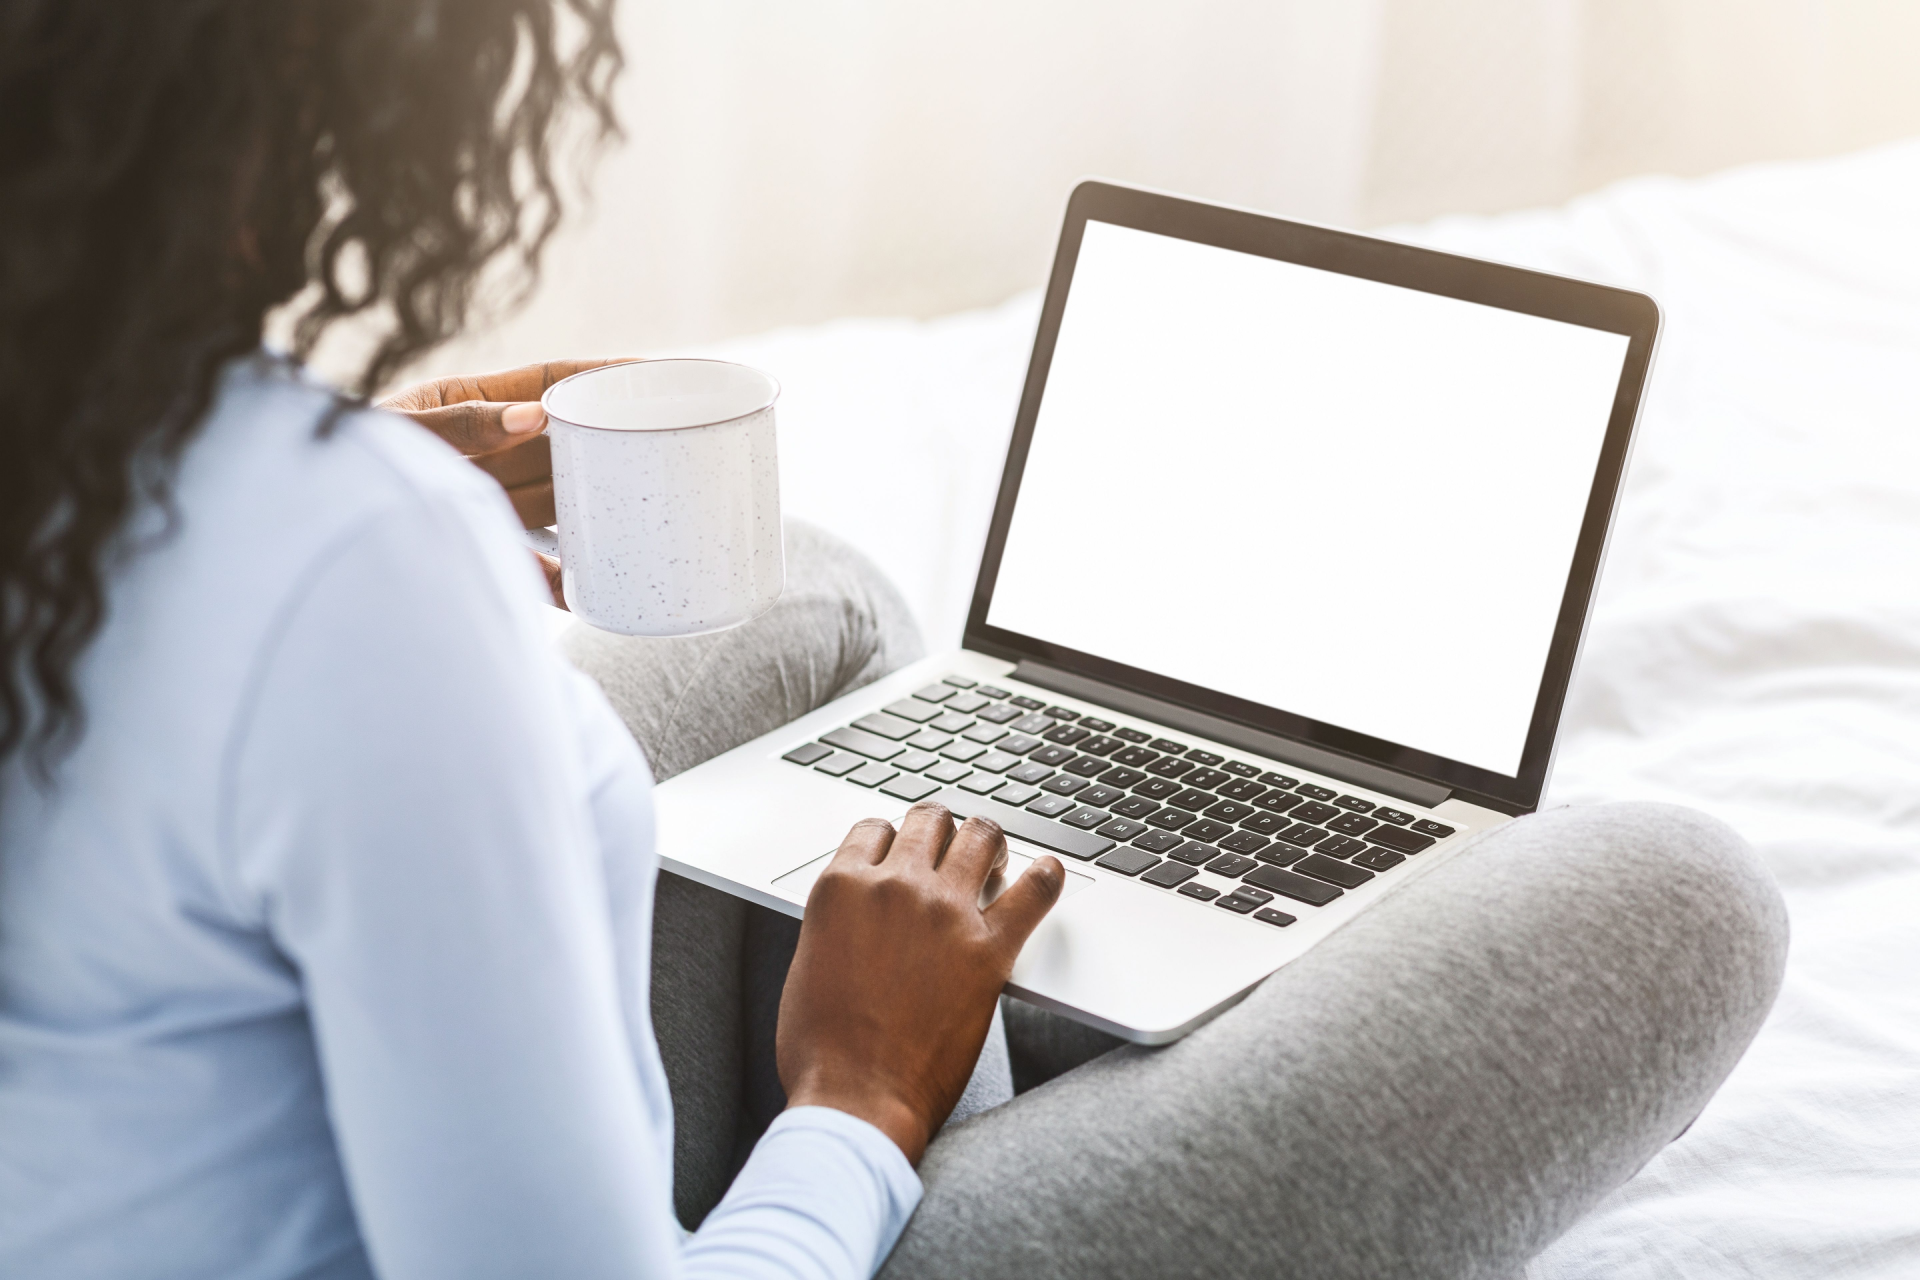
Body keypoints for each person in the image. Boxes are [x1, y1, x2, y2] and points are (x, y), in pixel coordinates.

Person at [0, 5, 1789, 1278]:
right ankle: (1052, 1032)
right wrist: (858, 1099)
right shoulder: (343, 580)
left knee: (821, 593)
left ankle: (1095, 973)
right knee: (1681, 898)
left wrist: (360, 464)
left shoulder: (107, 468)